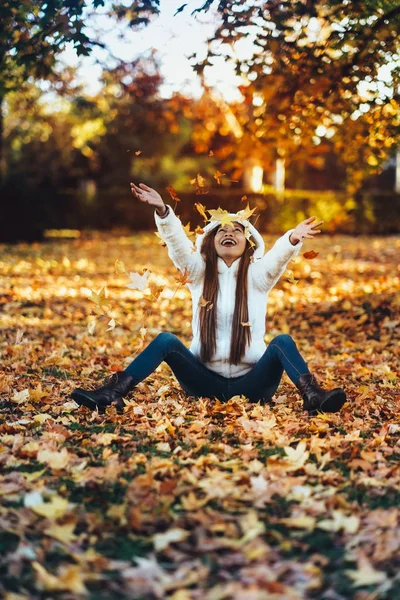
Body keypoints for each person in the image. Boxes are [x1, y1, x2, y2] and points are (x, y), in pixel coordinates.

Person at [71, 182, 346, 415]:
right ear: (211, 241)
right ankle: (111, 393)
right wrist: (163, 212)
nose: (229, 233)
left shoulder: (258, 275)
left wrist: (293, 239)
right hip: (203, 383)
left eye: (237, 230)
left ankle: (313, 396)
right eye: (222, 231)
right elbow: (178, 247)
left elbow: (278, 258)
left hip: (253, 385)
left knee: (282, 342)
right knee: (166, 340)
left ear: (248, 244)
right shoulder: (199, 273)